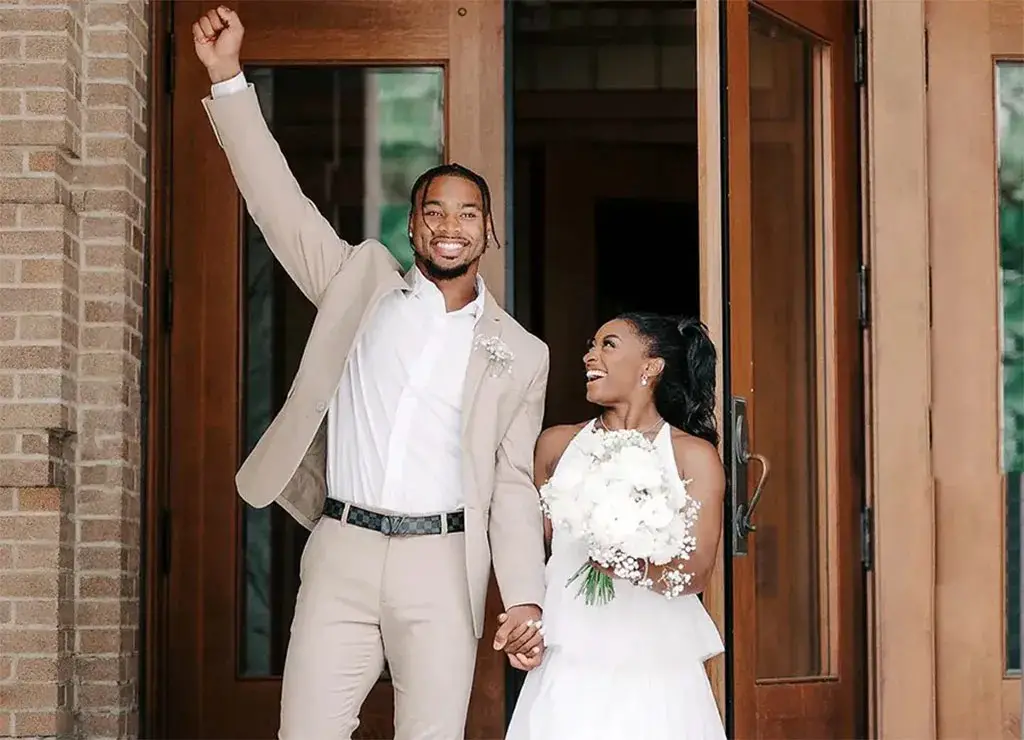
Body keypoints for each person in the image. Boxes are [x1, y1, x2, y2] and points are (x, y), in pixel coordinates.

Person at [192, 7, 549, 739]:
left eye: (468, 214)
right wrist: (227, 79)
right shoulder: (358, 284)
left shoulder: (522, 352)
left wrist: (525, 598)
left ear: (489, 230)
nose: (451, 227)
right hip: (343, 550)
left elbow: (513, 487)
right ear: (413, 225)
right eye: (434, 212)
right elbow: (279, 207)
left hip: (443, 566)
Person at [505, 312, 728, 740]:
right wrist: (525, 621)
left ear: (651, 366)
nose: (590, 354)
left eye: (608, 344)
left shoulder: (691, 455)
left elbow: (696, 572)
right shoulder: (556, 445)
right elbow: (531, 549)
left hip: (654, 657)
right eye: (591, 344)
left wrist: (624, 562)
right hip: (571, 647)